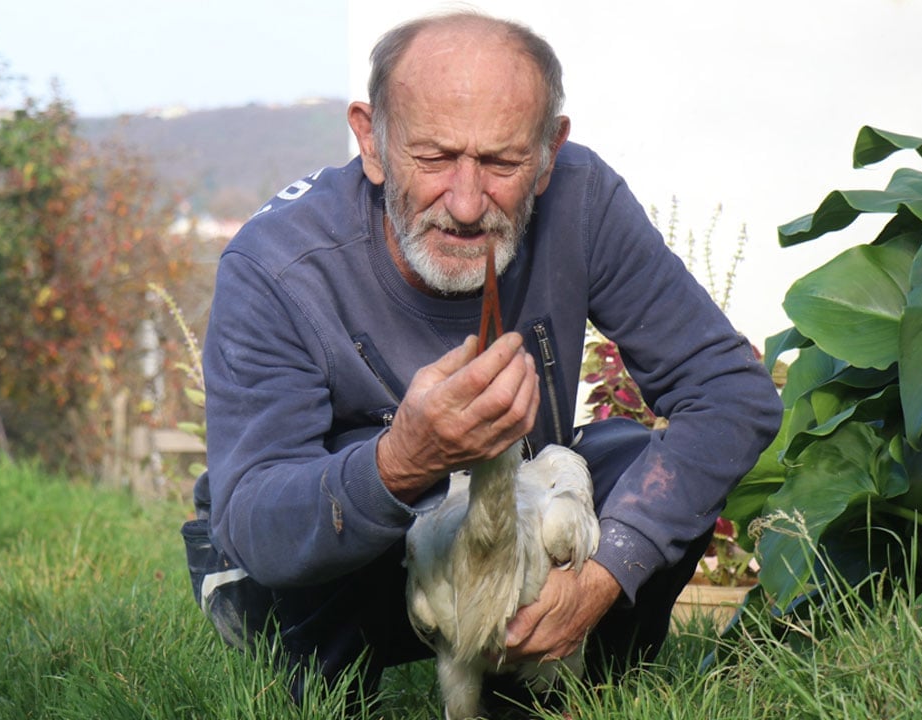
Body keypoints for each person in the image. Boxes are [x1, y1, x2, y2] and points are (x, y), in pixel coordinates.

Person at [182, 9, 782, 715]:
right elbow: (255, 518)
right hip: (316, 556)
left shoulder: (581, 200)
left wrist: (608, 571)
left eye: (502, 162)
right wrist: (401, 459)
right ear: (371, 141)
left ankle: (575, 687)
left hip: (501, 520)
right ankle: (323, 694)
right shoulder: (277, 264)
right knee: (344, 501)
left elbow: (731, 394)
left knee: (620, 460)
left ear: (551, 149)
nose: (467, 204)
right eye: (432, 158)